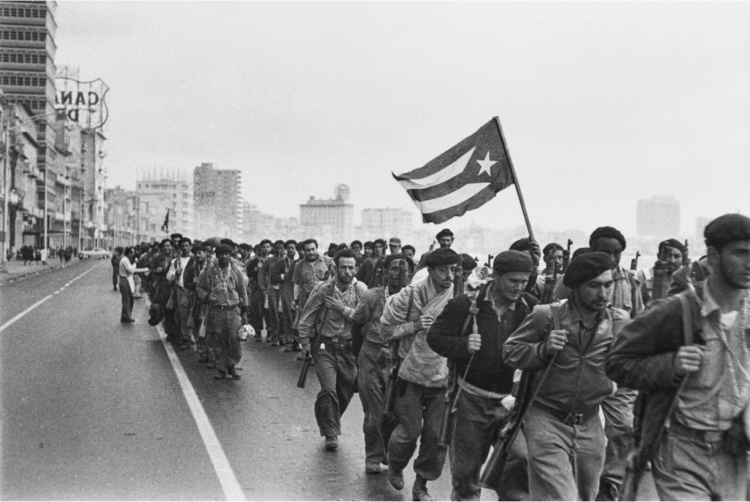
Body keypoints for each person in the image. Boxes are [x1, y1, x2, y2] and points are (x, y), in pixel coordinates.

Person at [606, 213, 750, 501]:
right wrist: (670, 364)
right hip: (682, 450)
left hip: (735, 453)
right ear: (713, 255)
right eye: (740, 253)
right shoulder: (677, 311)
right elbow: (616, 362)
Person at [504, 252, 630, 501]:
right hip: (546, 419)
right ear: (575, 288)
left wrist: (623, 414)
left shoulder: (619, 322)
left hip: (590, 421)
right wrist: (542, 349)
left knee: (586, 495)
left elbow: (628, 370)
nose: (603, 293)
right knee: (562, 497)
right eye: (594, 286)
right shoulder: (546, 316)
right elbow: (510, 352)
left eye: (608, 285)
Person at [427, 250, 537, 501]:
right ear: (496, 276)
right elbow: (435, 337)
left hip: (513, 405)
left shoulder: (531, 308)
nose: (519, 287)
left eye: (524, 281)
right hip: (471, 403)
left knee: (517, 472)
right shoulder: (464, 305)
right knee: (466, 477)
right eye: (513, 281)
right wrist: (463, 345)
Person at [552, 226, 644, 500]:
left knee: (624, 428)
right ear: (592, 249)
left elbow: (639, 322)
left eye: (617, 252)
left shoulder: (630, 281)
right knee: (573, 432)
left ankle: (610, 483)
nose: (613, 257)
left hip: (617, 369)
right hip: (578, 367)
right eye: (606, 251)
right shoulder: (572, 279)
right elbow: (556, 313)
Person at [380, 247, 459, 501]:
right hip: (409, 373)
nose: (449, 275)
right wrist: (413, 326)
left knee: (436, 436)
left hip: (442, 376)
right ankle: (395, 463)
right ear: (431, 271)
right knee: (409, 431)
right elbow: (384, 331)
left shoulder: (459, 298)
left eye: (453, 270)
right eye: (443, 270)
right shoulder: (410, 296)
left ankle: (421, 484)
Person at [298, 249, 367, 452]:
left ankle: (329, 419)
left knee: (344, 392)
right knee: (328, 389)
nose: (346, 271)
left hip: (349, 349)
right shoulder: (324, 289)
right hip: (324, 346)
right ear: (335, 268)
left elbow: (366, 318)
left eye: (351, 267)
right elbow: (308, 315)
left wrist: (342, 309)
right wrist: (304, 344)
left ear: (356, 269)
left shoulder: (361, 290)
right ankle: (331, 432)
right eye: (343, 267)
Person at [351, 254, 408, 474]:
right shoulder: (373, 297)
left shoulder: (411, 297)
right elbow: (357, 326)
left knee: (395, 411)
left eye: (403, 269)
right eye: (394, 268)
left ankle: (387, 449)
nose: (398, 274)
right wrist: (361, 359)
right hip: (371, 355)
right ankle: (373, 456)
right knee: (374, 411)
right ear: (384, 272)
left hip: (398, 358)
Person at [196, 244, 249, 381]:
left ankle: (232, 365)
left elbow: (243, 291)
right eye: (221, 254)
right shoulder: (209, 272)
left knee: (234, 341)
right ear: (217, 256)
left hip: (233, 311)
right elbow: (199, 287)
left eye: (226, 254)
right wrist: (207, 296)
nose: (223, 257)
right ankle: (221, 368)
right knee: (217, 340)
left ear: (230, 255)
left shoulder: (236, 271)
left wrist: (244, 312)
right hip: (216, 311)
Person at [292, 239, 333, 344]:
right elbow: (296, 284)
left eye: (312, 249)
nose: (310, 252)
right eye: (307, 250)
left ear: (317, 248)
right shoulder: (299, 265)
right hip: (307, 301)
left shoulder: (327, 261)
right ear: (303, 251)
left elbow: (335, 279)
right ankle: (306, 351)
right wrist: (295, 300)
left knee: (323, 325)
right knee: (306, 325)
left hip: (325, 301)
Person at [167, 237, 195, 351]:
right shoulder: (175, 261)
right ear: (180, 248)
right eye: (182, 246)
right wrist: (175, 273)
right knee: (183, 315)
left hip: (193, 291)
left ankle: (194, 338)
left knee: (194, 315)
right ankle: (185, 338)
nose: (185, 248)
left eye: (187, 245)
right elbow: (168, 276)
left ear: (190, 246)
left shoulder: (195, 259)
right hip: (181, 290)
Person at [638, 238, 686, 304]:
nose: (672, 260)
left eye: (677, 256)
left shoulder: (685, 279)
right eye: (668, 256)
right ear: (659, 256)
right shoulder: (644, 275)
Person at [184, 244, 210, 364]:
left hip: (209, 301)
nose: (197, 255)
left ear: (205, 252)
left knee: (209, 328)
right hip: (196, 300)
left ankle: (210, 353)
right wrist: (195, 284)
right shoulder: (192, 267)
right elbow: (186, 283)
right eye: (196, 253)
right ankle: (202, 350)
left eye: (200, 252)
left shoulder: (212, 266)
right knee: (197, 325)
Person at [271, 239, 299, 352]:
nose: (291, 250)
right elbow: (273, 277)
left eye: (293, 248)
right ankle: (289, 342)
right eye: (289, 248)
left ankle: (297, 342)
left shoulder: (300, 262)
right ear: (285, 249)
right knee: (287, 317)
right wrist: (283, 276)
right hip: (286, 292)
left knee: (298, 318)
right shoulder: (281, 262)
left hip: (298, 291)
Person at [245, 239, 271, 341]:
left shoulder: (273, 260)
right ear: (260, 248)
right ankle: (258, 331)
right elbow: (248, 273)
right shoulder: (254, 260)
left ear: (270, 248)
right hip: (257, 288)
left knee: (269, 311)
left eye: (268, 247)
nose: (266, 249)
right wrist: (256, 269)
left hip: (269, 288)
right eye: (264, 247)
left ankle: (269, 332)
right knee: (257, 310)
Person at [261, 240, 286, 345]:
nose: (279, 250)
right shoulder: (269, 261)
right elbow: (262, 274)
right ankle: (274, 336)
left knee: (284, 314)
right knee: (273, 313)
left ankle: (283, 337)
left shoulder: (287, 261)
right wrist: (263, 288)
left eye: (282, 248)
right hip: (272, 290)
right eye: (278, 248)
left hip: (285, 290)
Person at [119, 247, 149, 323]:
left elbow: (132, 270)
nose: (133, 254)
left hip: (127, 280)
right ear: (129, 253)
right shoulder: (125, 260)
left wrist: (144, 269)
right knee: (127, 300)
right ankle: (126, 317)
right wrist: (135, 263)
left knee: (129, 299)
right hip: (125, 281)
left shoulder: (126, 260)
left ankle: (126, 316)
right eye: (132, 252)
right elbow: (131, 270)